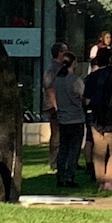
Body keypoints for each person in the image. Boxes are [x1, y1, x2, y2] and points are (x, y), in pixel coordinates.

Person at [84, 46, 112, 191]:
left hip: (96, 118)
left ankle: (100, 182)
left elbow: (86, 99)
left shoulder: (92, 76)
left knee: (99, 151)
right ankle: (109, 181)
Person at [52, 51, 85, 188]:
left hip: (63, 118)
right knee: (74, 149)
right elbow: (82, 96)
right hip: (76, 118)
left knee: (63, 148)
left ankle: (60, 175)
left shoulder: (57, 80)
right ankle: (69, 176)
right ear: (73, 63)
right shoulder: (75, 80)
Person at [42, 41, 68, 173]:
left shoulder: (62, 67)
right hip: (54, 106)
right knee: (56, 134)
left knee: (64, 134)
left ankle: (64, 161)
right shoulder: (52, 69)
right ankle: (54, 163)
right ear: (59, 53)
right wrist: (55, 106)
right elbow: (49, 88)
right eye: (65, 51)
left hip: (62, 104)